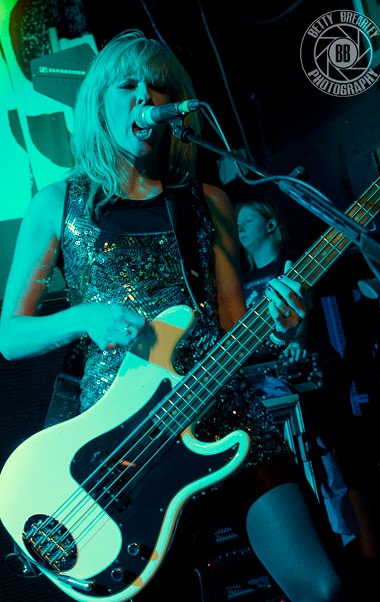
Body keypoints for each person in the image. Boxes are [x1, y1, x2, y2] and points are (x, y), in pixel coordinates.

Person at [0, 30, 346, 602]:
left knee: (323, 585)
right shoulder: (57, 204)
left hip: (227, 416)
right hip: (123, 446)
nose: (146, 97)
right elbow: (11, 337)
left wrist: (287, 324)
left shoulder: (208, 201)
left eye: (159, 87)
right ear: (99, 103)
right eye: (128, 86)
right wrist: (84, 316)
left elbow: (235, 327)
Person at [236, 198, 380, 592]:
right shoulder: (240, 281)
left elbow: (306, 314)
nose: (240, 228)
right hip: (269, 387)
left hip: (313, 377)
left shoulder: (294, 265)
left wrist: (297, 341)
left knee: (345, 459)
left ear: (271, 225)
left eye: (248, 219)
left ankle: (369, 553)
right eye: (237, 222)